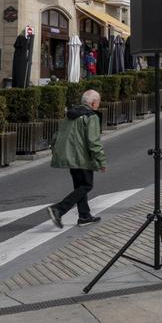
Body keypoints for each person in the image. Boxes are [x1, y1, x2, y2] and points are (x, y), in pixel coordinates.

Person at [47, 89, 107, 227]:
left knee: (79, 186)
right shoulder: (91, 116)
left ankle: (84, 216)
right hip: (83, 157)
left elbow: (57, 134)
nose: (98, 105)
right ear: (92, 103)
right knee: (86, 185)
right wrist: (101, 161)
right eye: (98, 102)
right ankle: (58, 209)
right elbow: (93, 142)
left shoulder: (70, 114)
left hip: (70, 156)